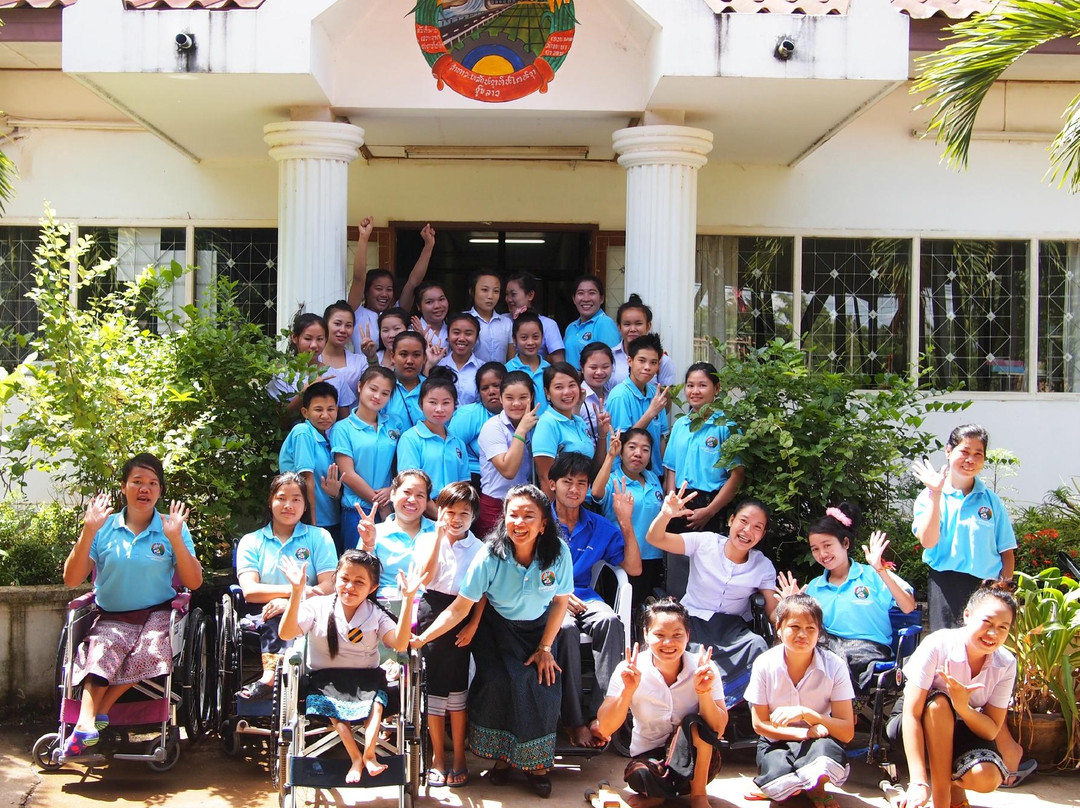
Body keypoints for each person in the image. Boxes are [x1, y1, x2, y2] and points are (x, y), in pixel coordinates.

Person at [411, 485, 573, 798]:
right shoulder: (489, 554)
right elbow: (460, 606)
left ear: (543, 524)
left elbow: (560, 602)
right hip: (496, 630)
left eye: (529, 516)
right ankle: (502, 760)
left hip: (537, 630)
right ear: (504, 518)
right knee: (498, 683)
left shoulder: (558, 553)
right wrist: (423, 639)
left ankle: (537, 766)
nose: (520, 522)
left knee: (540, 685)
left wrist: (544, 648)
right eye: (513, 514)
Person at [60, 454, 202, 757]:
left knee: (148, 650)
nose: (144, 489)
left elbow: (194, 581)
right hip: (112, 615)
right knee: (103, 649)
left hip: (157, 613)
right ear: (124, 487)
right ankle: (89, 722)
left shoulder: (171, 527)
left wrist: (175, 539)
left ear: (160, 491)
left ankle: (92, 720)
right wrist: (88, 531)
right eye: (137, 482)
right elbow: (72, 579)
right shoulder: (103, 527)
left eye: (152, 483)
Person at [279, 549, 426, 783]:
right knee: (333, 709)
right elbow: (286, 632)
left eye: (359, 582)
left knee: (377, 704)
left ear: (372, 588)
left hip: (367, 678)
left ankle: (369, 755)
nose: (350, 586)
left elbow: (399, 643)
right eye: (345, 579)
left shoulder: (376, 614)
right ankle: (356, 758)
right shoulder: (317, 606)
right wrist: (297, 592)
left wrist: (408, 599)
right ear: (335, 577)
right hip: (324, 679)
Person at [895, 582, 1022, 808]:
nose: (993, 633)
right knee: (940, 705)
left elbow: (991, 728)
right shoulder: (938, 644)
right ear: (967, 615)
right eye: (987, 622)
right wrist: (918, 782)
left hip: (964, 725)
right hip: (913, 723)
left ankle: (953, 787)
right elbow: (911, 714)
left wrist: (963, 707)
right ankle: (942, 801)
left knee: (987, 777)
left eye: (1003, 627)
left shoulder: (1006, 663)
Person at [594, 599, 728, 808]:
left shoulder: (703, 668)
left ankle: (698, 796)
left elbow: (718, 728)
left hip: (697, 764)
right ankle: (660, 793)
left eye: (677, 635)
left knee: (693, 723)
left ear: (688, 636)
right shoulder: (629, 668)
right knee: (640, 775)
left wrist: (703, 692)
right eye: (659, 635)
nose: (668, 643)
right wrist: (627, 691)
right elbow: (605, 728)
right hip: (652, 761)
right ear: (646, 634)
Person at [548, 452, 641, 748]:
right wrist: (559, 593)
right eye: (567, 482)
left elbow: (634, 569)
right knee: (565, 630)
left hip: (586, 596)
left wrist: (626, 522)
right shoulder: (538, 522)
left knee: (611, 621)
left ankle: (602, 715)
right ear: (552, 484)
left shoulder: (598, 525)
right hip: (547, 599)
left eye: (581, 483)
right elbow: (524, 567)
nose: (574, 489)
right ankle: (573, 721)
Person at [776, 503, 916, 691]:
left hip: (869, 650)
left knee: (834, 661)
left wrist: (880, 569)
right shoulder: (815, 587)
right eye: (815, 549)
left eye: (827, 545)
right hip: (828, 649)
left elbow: (908, 607)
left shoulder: (873, 574)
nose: (822, 554)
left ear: (845, 543)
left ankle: (843, 714)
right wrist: (791, 604)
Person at [647, 490, 778, 681]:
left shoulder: (763, 565)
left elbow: (772, 612)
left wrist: (791, 606)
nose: (748, 530)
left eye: (757, 527)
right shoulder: (705, 541)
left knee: (757, 644)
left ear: (762, 534)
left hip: (732, 629)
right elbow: (655, 539)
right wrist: (665, 515)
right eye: (743, 521)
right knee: (679, 646)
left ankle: (746, 706)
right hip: (692, 620)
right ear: (731, 520)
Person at [234, 472, 338, 700]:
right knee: (277, 616)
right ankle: (271, 676)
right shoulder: (251, 542)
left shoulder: (319, 537)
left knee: (295, 617)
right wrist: (293, 593)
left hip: (309, 611)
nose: (288, 505)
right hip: (263, 612)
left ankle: (277, 679)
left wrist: (293, 602)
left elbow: (329, 584)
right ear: (270, 501)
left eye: (296, 499)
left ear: (305, 505)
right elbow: (250, 591)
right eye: (281, 498)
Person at [745, 594, 856, 806]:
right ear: (779, 627)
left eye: (810, 628)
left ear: (819, 632)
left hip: (819, 740)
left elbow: (847, 731)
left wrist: (807, 714)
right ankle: (782, 784)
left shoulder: (835, 666)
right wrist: (804, 732)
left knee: (825, 753)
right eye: (794, 627)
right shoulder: (764, 664)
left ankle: (817, 788)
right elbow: (760, 725)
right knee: (781, 779)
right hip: (776, 740)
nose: (802, 635)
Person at [412, 482, 486, 788]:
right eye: (449, 511)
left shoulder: (480, 548)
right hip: (431, 610)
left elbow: (482, 594)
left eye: (463, 514)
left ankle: (459, 758)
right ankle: (437, 759)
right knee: (434, 689)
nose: (455, 519)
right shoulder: (426, 540)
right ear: (438, 510)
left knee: (458, 688)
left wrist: (473, 625)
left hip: (463, 614)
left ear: (473, 517)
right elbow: (424, 578)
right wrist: (439, 538)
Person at [910, 425, 1016, 632]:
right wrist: (936, 493)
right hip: (945, 585)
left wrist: (1003, 589)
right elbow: (928, 541)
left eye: (978, 454)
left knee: (985, 647)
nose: (971, 459)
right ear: (949, 451)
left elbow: (1007, 551)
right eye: (965, 452)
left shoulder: (991, 501)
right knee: (949, 650)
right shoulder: (928, 497)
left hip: (987, 587)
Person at [663, 362, 743, 533]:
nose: (695, 391)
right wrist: (673, 502)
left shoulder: (727, 427)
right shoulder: (680, 425)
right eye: (690, 385)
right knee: (677, 558)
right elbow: (671, 469)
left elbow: (737, 476)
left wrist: (710, 511)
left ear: (717, 388)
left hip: (711, 504)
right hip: (679, 504)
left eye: (702, 385)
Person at [593, 428, 666, 615]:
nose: (638, 454)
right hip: (621, 560)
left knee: (649, 613)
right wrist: (610, 456)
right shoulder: (613, 479)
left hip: (653, 557)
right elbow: (595, 493)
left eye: (645, 449)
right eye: (632, 447)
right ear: (622, 450)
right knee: (622, 613)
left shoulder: (653, 480)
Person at [331, 365, 402, 537]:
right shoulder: (342, 428)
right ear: (360, 386)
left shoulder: (395, 424)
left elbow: (403, 464)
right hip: (356, 510)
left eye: (385, 393)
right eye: (373, 389)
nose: (378, 396)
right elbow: (347, 474)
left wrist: (393, 488)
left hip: (391, 507)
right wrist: (380, 504)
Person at [348, 217, 434, 351]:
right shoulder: (356, 313)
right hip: (364, 371)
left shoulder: (397, 314)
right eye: (378, 288)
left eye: (389, 289)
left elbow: (413, 282)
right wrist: (364, 238)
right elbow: (359, 278)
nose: (384, 294)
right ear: (366, 290)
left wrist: (429, 246)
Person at [278, 380, 344, 551]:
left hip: (330, 520)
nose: (325, 415)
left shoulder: (328, 439)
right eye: (318, 410)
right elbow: (306, 480)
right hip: (309, 524)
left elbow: (329, 488)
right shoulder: (303, 432)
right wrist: (312, 527)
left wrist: (335, 494)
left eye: (331, 409)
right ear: (305, 412)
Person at [396, 368, 470, 516]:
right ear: (420, 403)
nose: (439, 409)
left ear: (455, 405)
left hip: (453, 514)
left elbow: (464, 485)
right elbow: (410, 484)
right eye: (432, 402)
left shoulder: (458, 443)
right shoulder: (411, 438)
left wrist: (454, 516)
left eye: (446, 403)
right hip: (419, 513)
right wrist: (440, 516)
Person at [476, 371, 540, 536]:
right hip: (496, 504)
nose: (516, 403)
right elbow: (508, 470)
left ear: (532, 397)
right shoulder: (493, 427)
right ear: (501, 398)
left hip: (527, 502)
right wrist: (521, 430)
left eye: (523, 397)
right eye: (510, 398)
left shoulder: (537, 425)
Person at [356, 469, 434, 601]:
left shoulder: (439, 532)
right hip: (384, 606)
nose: (412, 500)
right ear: (392, 494)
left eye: (420, 495)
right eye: (407, 492)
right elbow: (358, 576)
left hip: (428, 606)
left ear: (427, 502)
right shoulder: (375, 532)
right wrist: (367, 543)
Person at [532, 362, 605, 490]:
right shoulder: (547, 423)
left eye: (572, 385)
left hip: (584, 500)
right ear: (547, 392)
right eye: (559, 387)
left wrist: (602, 434)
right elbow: (545, 478)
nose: (567, 392)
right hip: (562, 505)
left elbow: (594, 468)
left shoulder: (579, 421)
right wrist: (554, 510)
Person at [606, 333, 670, 472]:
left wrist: (664, 474)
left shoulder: (655, 393)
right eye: (642, 360)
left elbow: (661, 439)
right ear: (630, 361)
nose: (647, 367)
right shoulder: (620, 395)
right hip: (625, 477)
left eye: (653, 362)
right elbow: (621, 441)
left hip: (654, 477)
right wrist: (650, 413)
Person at [447, 362, 505, 491]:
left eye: (496, 386)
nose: (491, 392)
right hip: (473, 479)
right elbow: (450, 449)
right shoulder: (469, 414)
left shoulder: (516, 413)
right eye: (484, 388)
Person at [267, 311, 328, 422]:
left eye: (320, 339)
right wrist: (303, 393)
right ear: (295, 338)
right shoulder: (281, 375)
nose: (314, 345)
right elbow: (280, 421)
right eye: (308, 339)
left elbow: (343, 420)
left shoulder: (334, 375)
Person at [609, 295, 677, 388]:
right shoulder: (610, 356)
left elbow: (666, 398)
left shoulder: (662, 361)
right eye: (627, 324)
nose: (632, 329)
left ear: (648, 326)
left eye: (638, 324)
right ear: (619, 327)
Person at [319, 300, 368, 419]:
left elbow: (372, 388)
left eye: (348, 325)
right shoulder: (313, 359)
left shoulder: (360, 361)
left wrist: (372, 357)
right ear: (325, 325)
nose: (343, 330)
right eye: (337, 323)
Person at [505, 271, 565, 362]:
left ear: (530, 295)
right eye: (506, 294)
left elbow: (558, 362)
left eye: (513, 294)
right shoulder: (503, 321)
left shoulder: (548, 325)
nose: (508, 299)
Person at [563, 275, 621, 368]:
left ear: (601, 299)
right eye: (580, 293)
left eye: (592, 293)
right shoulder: (571, 327)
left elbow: (613, 365)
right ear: (574, 299)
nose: (586, 299)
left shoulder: (605, 323)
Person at [506, 311, 551, 414]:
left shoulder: (550, 369)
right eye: (524, 338)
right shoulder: (507, 370)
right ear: (514, 339)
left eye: (535, 337)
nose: (530, 342)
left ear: (542, 337)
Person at [382, 330, 429, 429]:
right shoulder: (382, 387)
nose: (410, 361)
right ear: (393, 357)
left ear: (424, 358)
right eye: (403, 354)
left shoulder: (432, 388)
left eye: (416, 355)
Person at [437, 312, 485, 406]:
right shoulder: (438, 366)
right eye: (456, 333)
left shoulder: (483, 369)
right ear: (448, 335)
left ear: (476, 338)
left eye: (468, 333)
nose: (462, 338)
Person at [467, 270, 513, 363]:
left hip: (502, 376)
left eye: (496, 291)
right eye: (484, 290)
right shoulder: (463, 320)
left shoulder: (506, 323)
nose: (490, 296)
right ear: (472, 291)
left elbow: (511, 360)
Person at [579, 342, 615, 443]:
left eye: (605, 367)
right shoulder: (576, 399)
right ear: (582, 368)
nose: (599, 372)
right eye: (593, 367)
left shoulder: (613, 395)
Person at [412, 281, 450, 347]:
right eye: (429, 302)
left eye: (441, 299)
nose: (437, 306)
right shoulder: (411, 332)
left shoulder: (454, 329)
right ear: (419, 306)